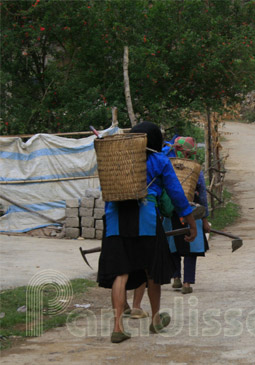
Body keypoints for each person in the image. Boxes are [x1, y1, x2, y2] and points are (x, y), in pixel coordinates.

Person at [97, 121, 197, 343]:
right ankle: (154, 320)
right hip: (146, 219)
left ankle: (117, 327)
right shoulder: (159, 160)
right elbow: (177, 194)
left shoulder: (117, 159)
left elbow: (106, 190)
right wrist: (191, 222)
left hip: (115, 219)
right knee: (152, 270)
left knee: (120, 273)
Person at [167, 137, 211, 295]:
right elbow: (203, 197)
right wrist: (205, 219)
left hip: (171, 211)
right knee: (191, 248)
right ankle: (186, 283)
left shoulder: (168, 166)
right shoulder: (195, 169)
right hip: (193, 211)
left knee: (173, 244)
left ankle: (176, 277)